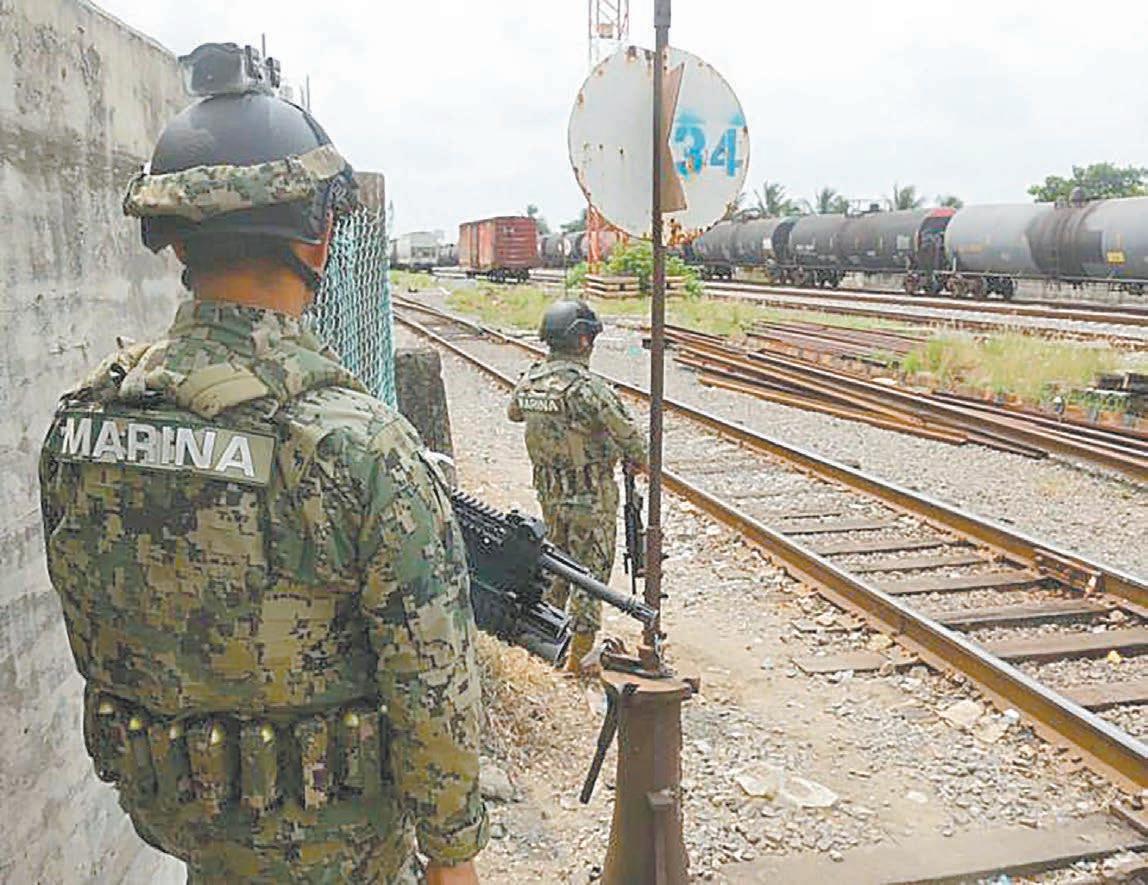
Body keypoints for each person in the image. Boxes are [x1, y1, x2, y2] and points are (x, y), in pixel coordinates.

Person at [38, 43, 485, 884]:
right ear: (318, 236)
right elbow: (433, 686)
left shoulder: (85, 421)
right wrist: (453, 856)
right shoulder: (360, 447)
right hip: (338, 850)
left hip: (179, 821)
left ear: (179, 243)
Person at [508, 300, 647, 673]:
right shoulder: (590, 389)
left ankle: (545, 639)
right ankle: (577, 658)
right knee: (589, 574)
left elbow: (514, 412)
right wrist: (632, 457)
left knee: (555, 565)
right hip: (591, 496)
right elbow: (635, 443)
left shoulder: (531, 381)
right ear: (584, 340)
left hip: (549, 493)